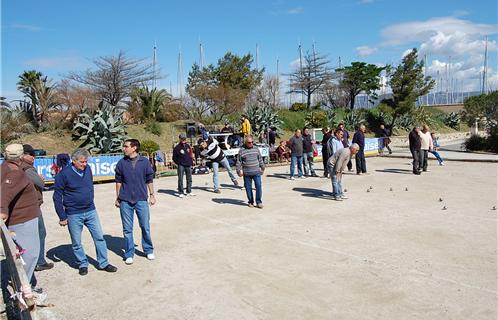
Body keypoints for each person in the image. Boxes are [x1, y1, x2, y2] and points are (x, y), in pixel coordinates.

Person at [53, 148, 117, 275]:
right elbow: (57, 196)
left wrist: (90, 200)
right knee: (76, 242)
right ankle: (82, 263)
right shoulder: (63, 174)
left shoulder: (88, 169)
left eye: (86, 161)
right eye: (82, 162)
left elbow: (90, 187)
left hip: (90, 211)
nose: (84, 164)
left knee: (99, 237)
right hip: (73, 214)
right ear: (74, 161)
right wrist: (62, 216)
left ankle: (103, 263)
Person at [1, 144, 41, 284]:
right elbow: (6, 191)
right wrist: (2, 210)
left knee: (22, 254)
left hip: (18, 219)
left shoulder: (4, 167)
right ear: (21, 156)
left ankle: (22, 285)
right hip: (23, 220)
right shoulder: (15, 172)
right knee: (31, 254)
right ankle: (24, 287)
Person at [115, 139, 156, 265]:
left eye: (126, 146)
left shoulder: (144, 162)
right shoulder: (121, 163)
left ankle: (148, 250)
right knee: (127, 229)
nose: (124, 148)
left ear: (134, 148)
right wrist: (118, 197)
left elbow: (149, 179)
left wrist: (152, 195)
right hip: (126, 200)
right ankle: (129, 253)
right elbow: (118, 182)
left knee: (145, 226)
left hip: (141, 200)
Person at [20, 144, 54, 273]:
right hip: (32, 205)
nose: (34, 157)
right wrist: (40, 178)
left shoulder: (15, 167)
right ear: (23, 155)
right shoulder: (28, 169)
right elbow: (40, 183)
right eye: (31, 154)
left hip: (24, 206)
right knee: (40, 232)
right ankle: (39, 261)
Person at [236, 136, 265, 208]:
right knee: (248, 188)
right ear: (245, 143)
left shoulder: (256, 149)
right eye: (249, 142)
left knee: (258, 187)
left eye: (252, 142)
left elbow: (260, 159)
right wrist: (238, 171)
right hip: (247, 173)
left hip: (256, 172)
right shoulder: (242, 150)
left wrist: (263, 168)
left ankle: (259, 202)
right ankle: (250, 201)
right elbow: (238, 162)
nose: (251, 144)